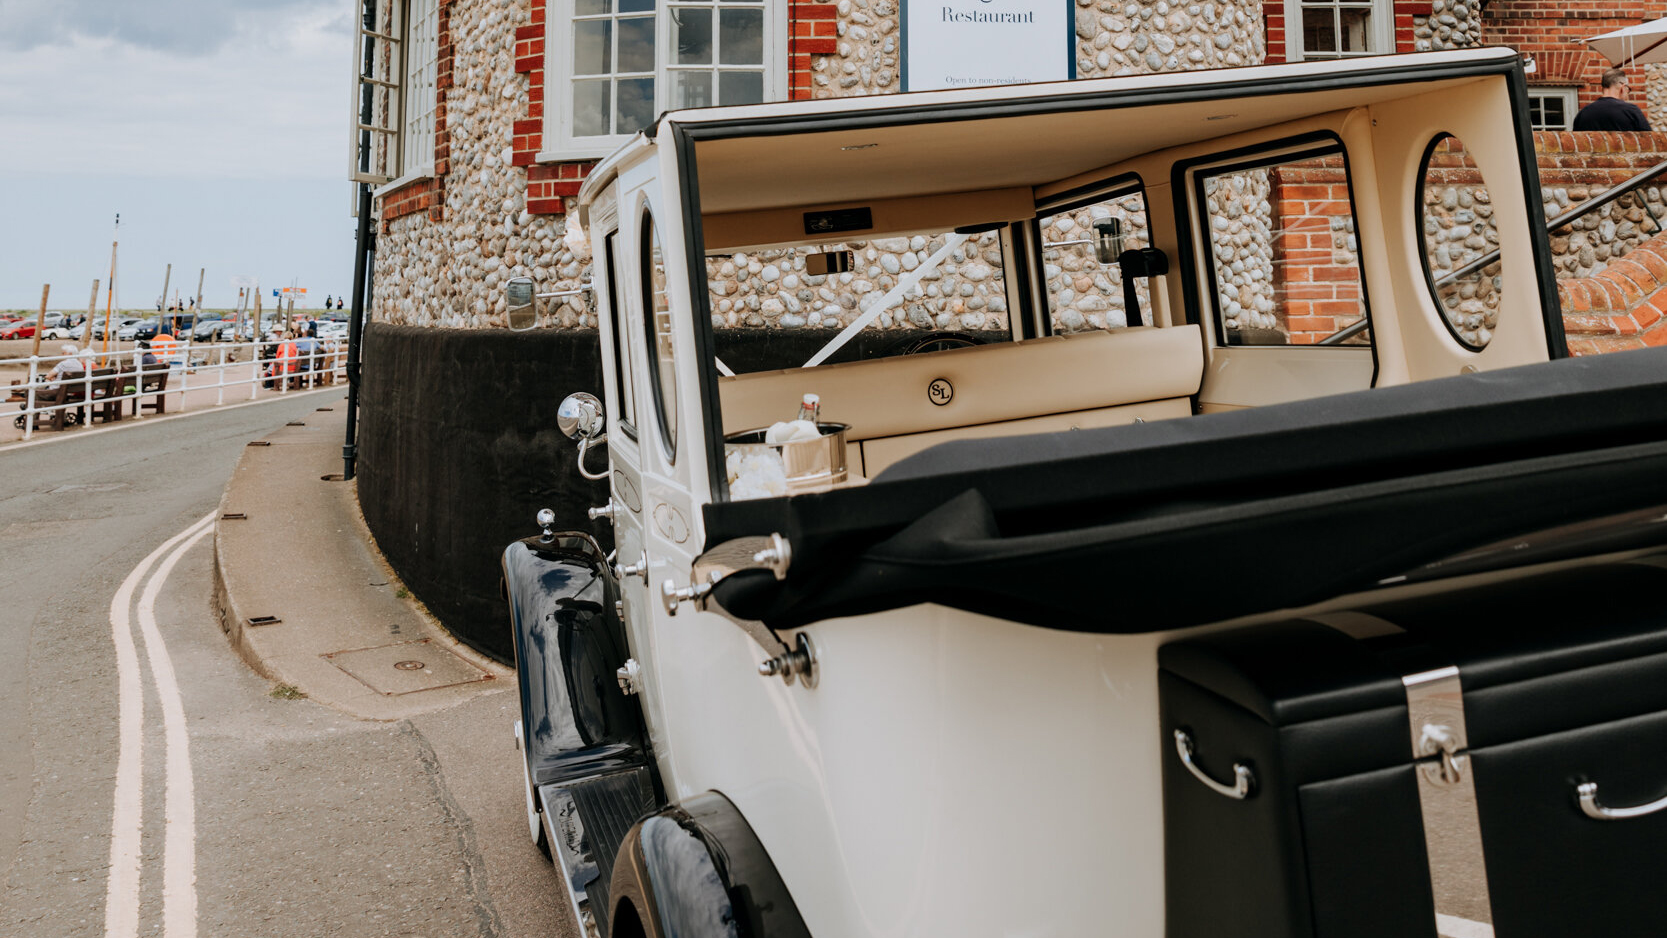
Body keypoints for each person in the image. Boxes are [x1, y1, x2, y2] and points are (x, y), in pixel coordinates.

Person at [1574, 69, 1651, 131]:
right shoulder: (1631, 111)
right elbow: (1649, 140)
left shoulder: (1583, 113)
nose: (1628, 93)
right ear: (1623, 87)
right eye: (1628, 89)